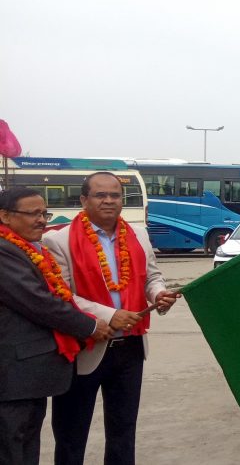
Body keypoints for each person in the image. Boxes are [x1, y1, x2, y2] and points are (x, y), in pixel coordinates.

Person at [43, 172, 182, 465]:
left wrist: (158, 294)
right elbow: (62, 295)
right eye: (100, 195)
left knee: (123, 430)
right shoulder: (58, 240)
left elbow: (152, 276)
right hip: (85, 348)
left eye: (115, 195)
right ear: (83, 200)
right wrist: (110, 315)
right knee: (71, 433)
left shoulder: (138, 235)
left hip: (130, 347)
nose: (109, 201)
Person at [0, 187, 112, 465]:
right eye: (32, 213)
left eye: (43, 213)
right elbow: (39, 302)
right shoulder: (4, 252)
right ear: (5, 216)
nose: (41, 220)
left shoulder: (24, 248)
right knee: (12, 448)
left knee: (26, 445)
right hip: (12, 376)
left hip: (27, 377)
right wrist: (89, 326)